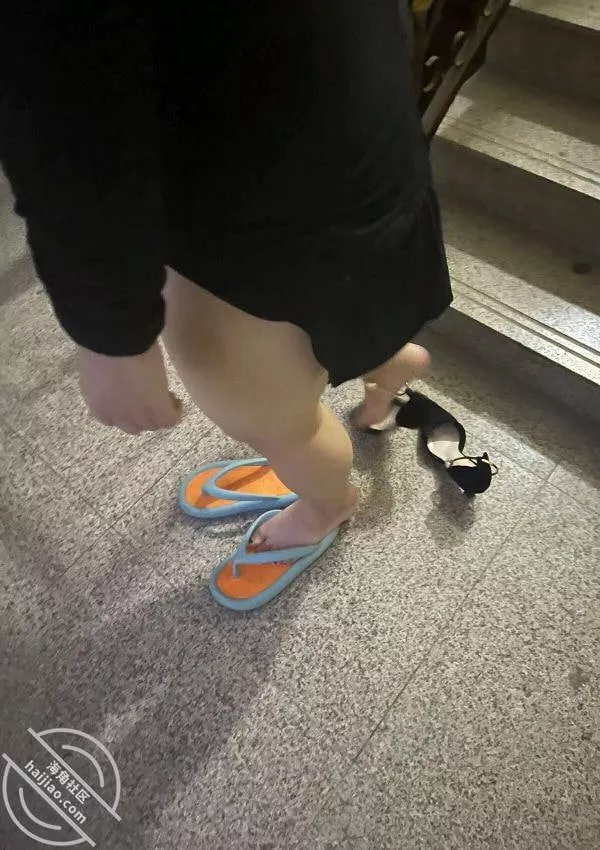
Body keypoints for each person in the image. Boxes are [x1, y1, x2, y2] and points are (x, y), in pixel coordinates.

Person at [1, 2, 451, 552]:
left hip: (242, 212)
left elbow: (69, 115)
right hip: (364, 133)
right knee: (345, 313)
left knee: (280, 427)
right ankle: (390, 368)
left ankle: (327, 508)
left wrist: (110, 334)